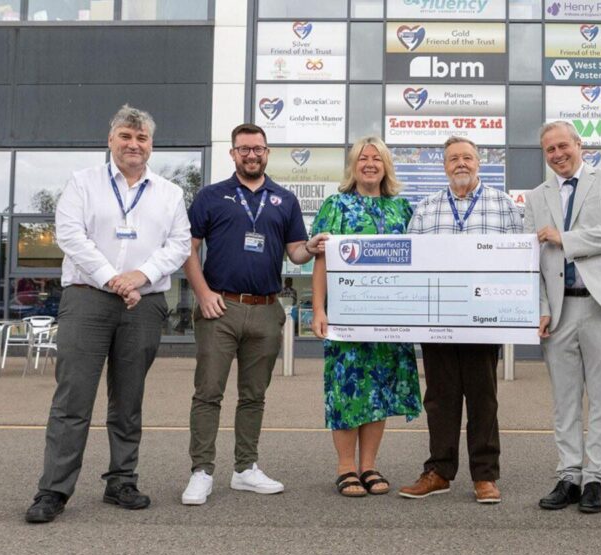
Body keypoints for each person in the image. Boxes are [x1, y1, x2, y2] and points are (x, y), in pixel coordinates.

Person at [24, 105, 191, 523]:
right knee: (72, 398)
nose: (134, 145)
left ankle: (121, 481)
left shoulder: (170, 193)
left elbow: (179, 245)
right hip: (87, 299)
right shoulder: (83, 183)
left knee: (128, 398)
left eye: (142, 138)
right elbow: (70, 235)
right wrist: (114, 279)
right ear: (111, 140)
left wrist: (140, 276)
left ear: (151, 145)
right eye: (126, 137)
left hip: (145, 303)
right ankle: (53, 490)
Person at [180, 123, 327, 505]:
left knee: (254, 396)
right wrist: (203, 294)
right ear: (233, 154)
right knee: (208, 393)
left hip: (266, 310)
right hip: (220, 309)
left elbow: (295, 252)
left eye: (258, 148)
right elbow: (187, 249)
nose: (251, 154)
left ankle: (245, 469)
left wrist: (310, 246)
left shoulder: (285, 199)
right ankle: (201, 472)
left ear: (267, 152)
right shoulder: (210, 197)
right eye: (243, 149)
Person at [399, 136, 522, 504]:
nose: (461, 164)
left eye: (467, 157)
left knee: (483, 397)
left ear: (479, 162)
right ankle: (439, 471)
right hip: (438, 319)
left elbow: (519, 264)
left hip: (484, 318)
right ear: (444, 166)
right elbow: (411, 263)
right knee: (439, 398)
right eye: (453, 159)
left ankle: (485, 476)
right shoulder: (426, 208)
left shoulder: (504, 206)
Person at [523, 121, 601, 514]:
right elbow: (531, 261)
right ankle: (569, 474)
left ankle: (595, 479)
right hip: (559, 309)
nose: (557, 154)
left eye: (562, 146)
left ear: (579, 144)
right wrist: (540, 307)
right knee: (564, 399)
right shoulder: (536, 196)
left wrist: (565, 238)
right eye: (549, 150)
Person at [310, 136, 423, 497]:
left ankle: (369, 465)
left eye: (377, 158)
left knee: (378, 392)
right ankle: (346, 468)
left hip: (390, 320)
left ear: (386, 166)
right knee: (347, 390)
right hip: (346, 318)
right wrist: (318, 309)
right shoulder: (336, 205)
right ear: (353, 166)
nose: (370, 163)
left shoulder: (402, 209)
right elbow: (321, 261)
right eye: (363, 158)